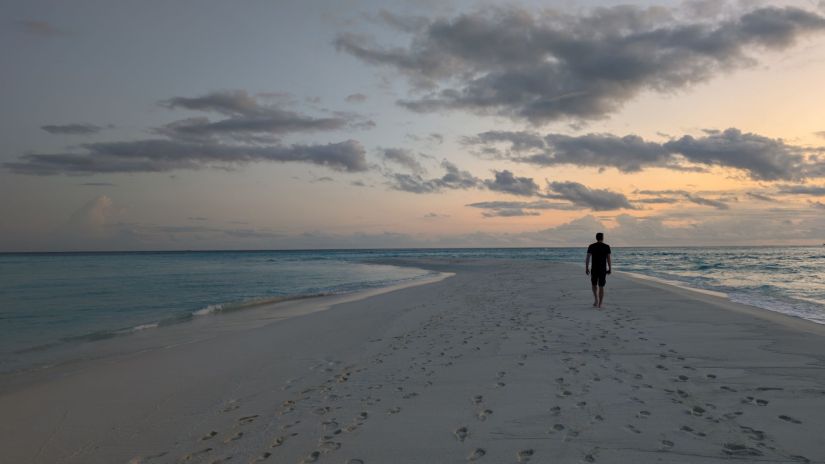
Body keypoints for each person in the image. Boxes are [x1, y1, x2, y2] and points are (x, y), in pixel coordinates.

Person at [585, 232, 611, 308]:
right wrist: (610, 268)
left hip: (594, 269)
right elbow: (608, 259)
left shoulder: (591, 246)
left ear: (596, 238)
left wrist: (586, 267)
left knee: (594, 284)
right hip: (602, 269)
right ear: (602, 238)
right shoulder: (606, 246)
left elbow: (588, 258)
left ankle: (596, 299)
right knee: (601, 286)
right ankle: (600, 303)